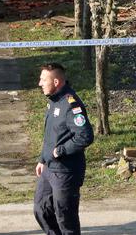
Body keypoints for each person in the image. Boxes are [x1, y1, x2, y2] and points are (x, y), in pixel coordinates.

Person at [34, 62, 94, 235]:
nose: (39, 83)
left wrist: (60, 151)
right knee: (41, 210)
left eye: (43, 79)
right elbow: (51, 135)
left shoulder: (71, 105)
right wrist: (42, 159)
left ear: (56, 82)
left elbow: (85, 136)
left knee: (65, 217)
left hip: (66, 172)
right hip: (49, 168)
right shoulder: (53, 101)